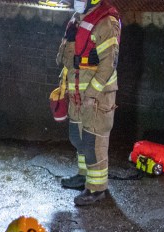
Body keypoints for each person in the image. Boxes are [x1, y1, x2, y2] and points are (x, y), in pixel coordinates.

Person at [57, 0, 121, 206]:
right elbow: (69, 56)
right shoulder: (78, 19)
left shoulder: (107, 23)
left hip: (97, 97)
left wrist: (92, 95)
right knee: (78, 138)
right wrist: (64, 84)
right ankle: (83, 176)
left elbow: (108, 66)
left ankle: (96, 189)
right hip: (77, 92)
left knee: (93, 144)